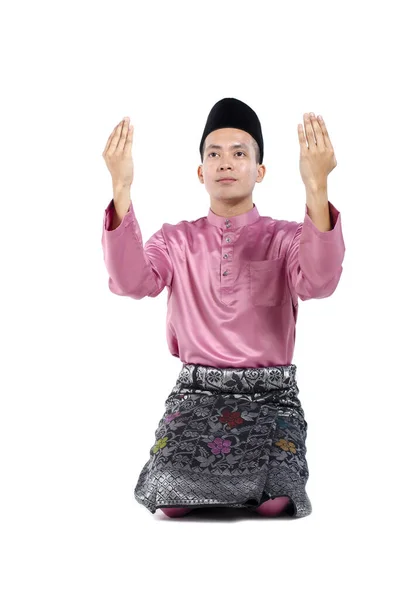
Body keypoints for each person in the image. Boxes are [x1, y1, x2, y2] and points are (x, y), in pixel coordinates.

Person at [101, 98, 345, 519]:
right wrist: (121, 190)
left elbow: (320, 282)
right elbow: (130, 282)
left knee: (275, 502)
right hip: (196, 394)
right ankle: (217, 490)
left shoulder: (286, 238)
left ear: (259, 171)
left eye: (239, 153)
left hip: (270, 396)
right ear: (201, 172)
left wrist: (317, 188)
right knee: (170, 499)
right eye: (213, 154)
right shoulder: (173, 240)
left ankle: (236, 491)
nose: (225, 163)